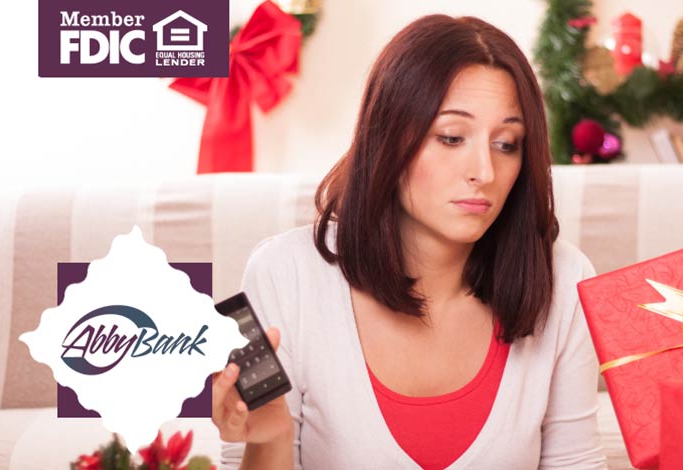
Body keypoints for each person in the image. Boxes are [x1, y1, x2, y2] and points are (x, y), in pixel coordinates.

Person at [213, 13, 607, 470]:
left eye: (507, 143)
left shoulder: (564, 281)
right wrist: (272, 440)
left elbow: (577, 462)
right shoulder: (284, 274)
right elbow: (253, 447)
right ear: (388, 140)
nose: (484, 170)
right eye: (452, 137)